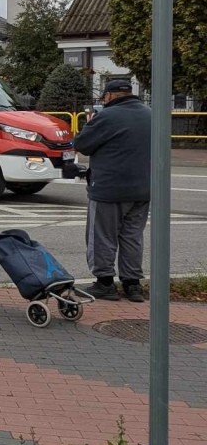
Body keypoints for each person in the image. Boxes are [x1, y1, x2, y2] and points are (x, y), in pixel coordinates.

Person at [73, 79, 151, 303]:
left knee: (102, 237)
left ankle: (105, 283)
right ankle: (132, 285)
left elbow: (82, 144)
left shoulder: (107, 116)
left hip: (109, 189)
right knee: (132, 237)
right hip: (143, 190)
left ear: (110, 96)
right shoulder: (150, 114)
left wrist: (89, 123)